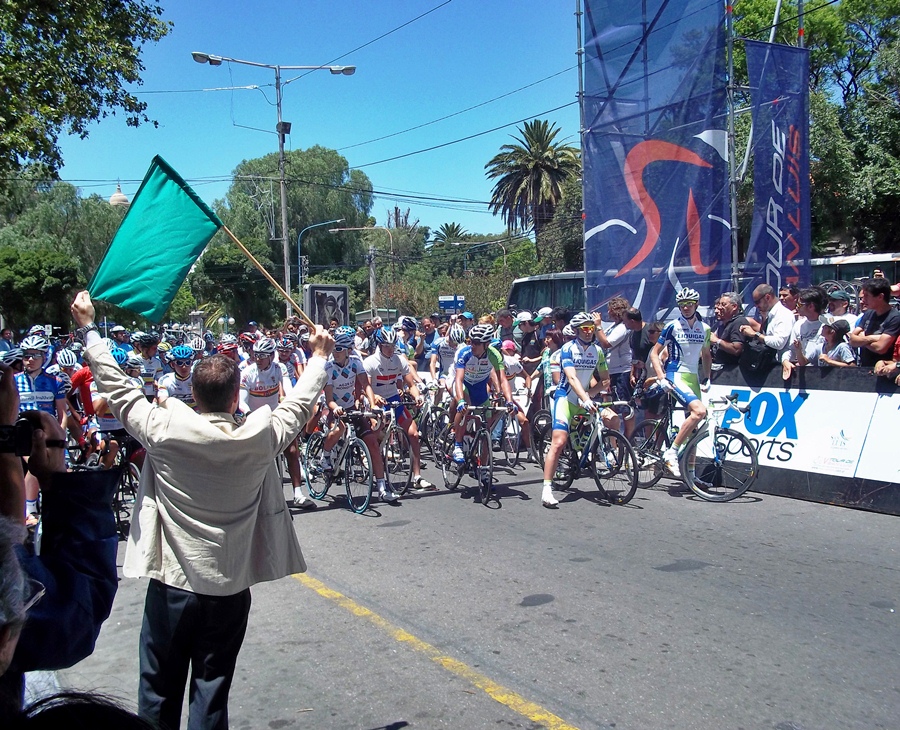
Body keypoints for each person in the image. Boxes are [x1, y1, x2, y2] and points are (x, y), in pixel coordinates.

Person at [70, 290, 332, 730]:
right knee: (211, 694)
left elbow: (116, 387)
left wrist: (89, 328)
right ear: (236, 399)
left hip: (173, 585)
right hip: (228, 590)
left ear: (193, 393)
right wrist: (320, 355)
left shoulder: (161, 428)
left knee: (157, 692)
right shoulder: (259, 437)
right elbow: (299, 404)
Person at [541, 313, 618, 508]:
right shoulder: (568, 349)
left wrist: (590, 395)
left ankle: (591, 454)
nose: (588, 331)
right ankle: (547, 488)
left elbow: (606, 381)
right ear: (576, 331)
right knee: (559, 442)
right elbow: (572, 378)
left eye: (591, 328)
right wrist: (584, 398)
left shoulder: (597, 351)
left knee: (607, 419)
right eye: (584, 328)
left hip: (584, 398)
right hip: (565, 398)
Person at [650, 288, 712, 479]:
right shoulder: (672, 326)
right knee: (699, 411)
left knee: (695, 428)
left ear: (696, 304)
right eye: (682, 304)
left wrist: (707, 377)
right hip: (675, 374)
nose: (685, 307)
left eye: (689, 304)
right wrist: (661, 378)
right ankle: (672, 451)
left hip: (693, 377)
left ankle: (691, 477)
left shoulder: (705, 328)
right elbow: (654, 353)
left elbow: (707, 354)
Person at [848, 278, 900, 368]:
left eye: (867, 296)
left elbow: (880, 348)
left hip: (883, 371)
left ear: (880, 297)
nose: (863, 300)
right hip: (863, 369)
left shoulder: (895, 318)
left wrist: (862, 339)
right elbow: (852, 340)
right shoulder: (868, 313)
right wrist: (872, 338)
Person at [740, 283, 794, 362]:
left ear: (767, 297)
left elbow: (779, 343)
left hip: (783, 365)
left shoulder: (783, 314)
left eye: (758, 302)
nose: (756, 306)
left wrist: (754, 334)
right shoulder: (771, 314)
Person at [782, 288, 828, 378]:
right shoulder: (798, 325)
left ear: (811, 306)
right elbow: (791, 350)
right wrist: (785, 361)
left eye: (799, 304)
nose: (796, 307)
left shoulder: (828, 324)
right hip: (803, 373)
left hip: (824, 374)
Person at [710, 292, 748, 366]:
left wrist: (717, 341)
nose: (719, 308)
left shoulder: (739, 322)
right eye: (719, 304)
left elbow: (736, 349)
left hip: (734, 373)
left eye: (723, 305)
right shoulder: (723, 326)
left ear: (734, 306)